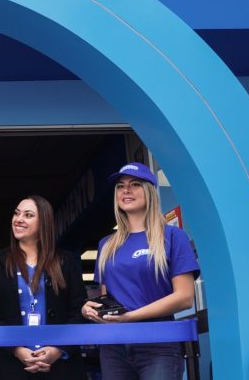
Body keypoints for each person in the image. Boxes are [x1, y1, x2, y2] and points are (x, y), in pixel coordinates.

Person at [81, 162, 200, 379]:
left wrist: (131, 317)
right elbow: (107, 297)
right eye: (120, 186)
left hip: (158, 343)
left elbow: (184, 297)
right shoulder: (106, 244)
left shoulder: (173, 237)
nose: (126, 190)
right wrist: (91, 310)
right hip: (114, 345)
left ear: (149, 192)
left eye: (135, 184)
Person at [0, 195, 86, 379]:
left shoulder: (65, 261)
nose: (18, 219)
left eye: (28, 215)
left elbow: (79, 310)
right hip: (12, 366)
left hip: (61, 366)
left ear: (44, 222)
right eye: (16, 213)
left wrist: (58, 350)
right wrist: (16, 349)